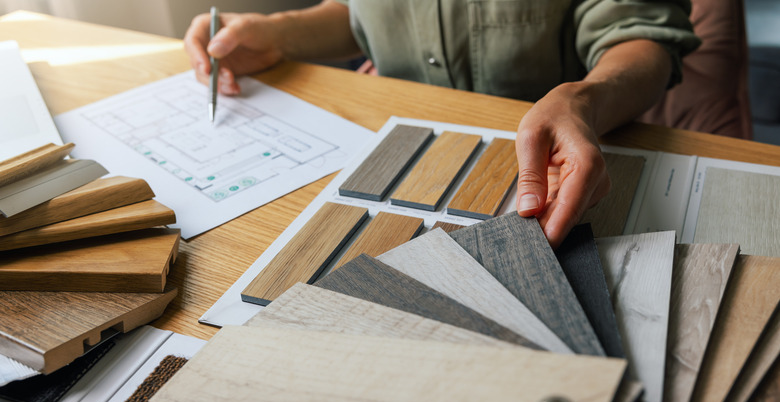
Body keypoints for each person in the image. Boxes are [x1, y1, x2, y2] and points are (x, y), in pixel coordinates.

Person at [184, 0, 699, 248]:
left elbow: (642, 38)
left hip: (565, 160)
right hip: (394, 149)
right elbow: (361, 15)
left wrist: (583, 100)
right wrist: (279, 34)